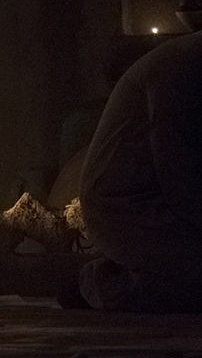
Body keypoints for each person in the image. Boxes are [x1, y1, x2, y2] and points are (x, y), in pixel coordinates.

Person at [74, 30, 202, 312]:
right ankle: (104, 285)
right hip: (124, 208)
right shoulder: (180, 67)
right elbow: (178, 178)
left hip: (163, 203)